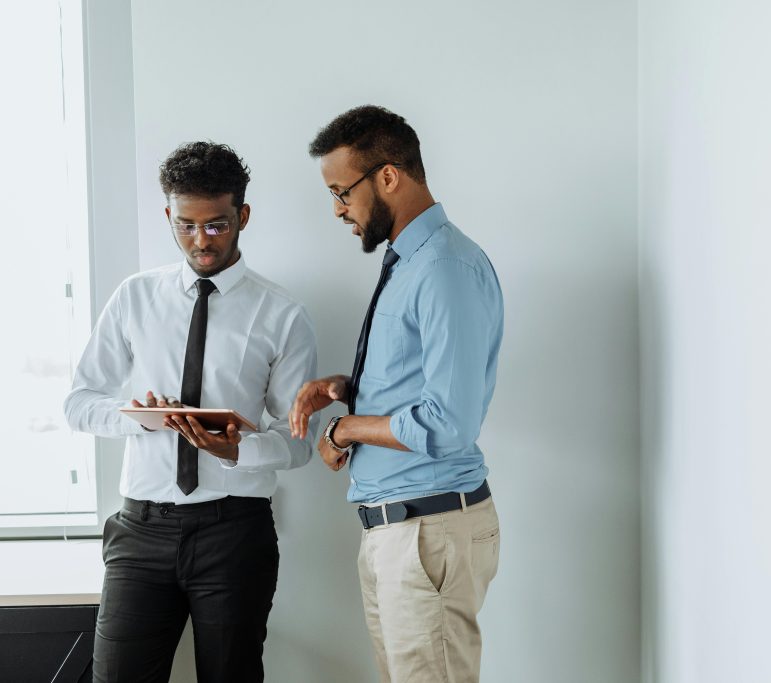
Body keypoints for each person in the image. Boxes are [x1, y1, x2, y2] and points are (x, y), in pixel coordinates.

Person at [64, 141, 318, 682]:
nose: (200, 241)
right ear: (169, 216)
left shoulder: (283, 314)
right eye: (185, 226)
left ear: (242, 216)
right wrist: (134, 415)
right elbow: (79, 403)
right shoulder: (135, 296)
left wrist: (239, 449)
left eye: (217, 225)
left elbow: (298, 442)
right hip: (140, 529)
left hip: (235, 532)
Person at [289, 105, 503, 682]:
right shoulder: (409, 262)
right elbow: (418, 381)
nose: (337, 209)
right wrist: (347, 390)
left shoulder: (444, 268)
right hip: (400, 532)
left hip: (426, 535)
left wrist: (345, 429)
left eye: (341, 192)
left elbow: (448, 420)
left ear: (388, 176)